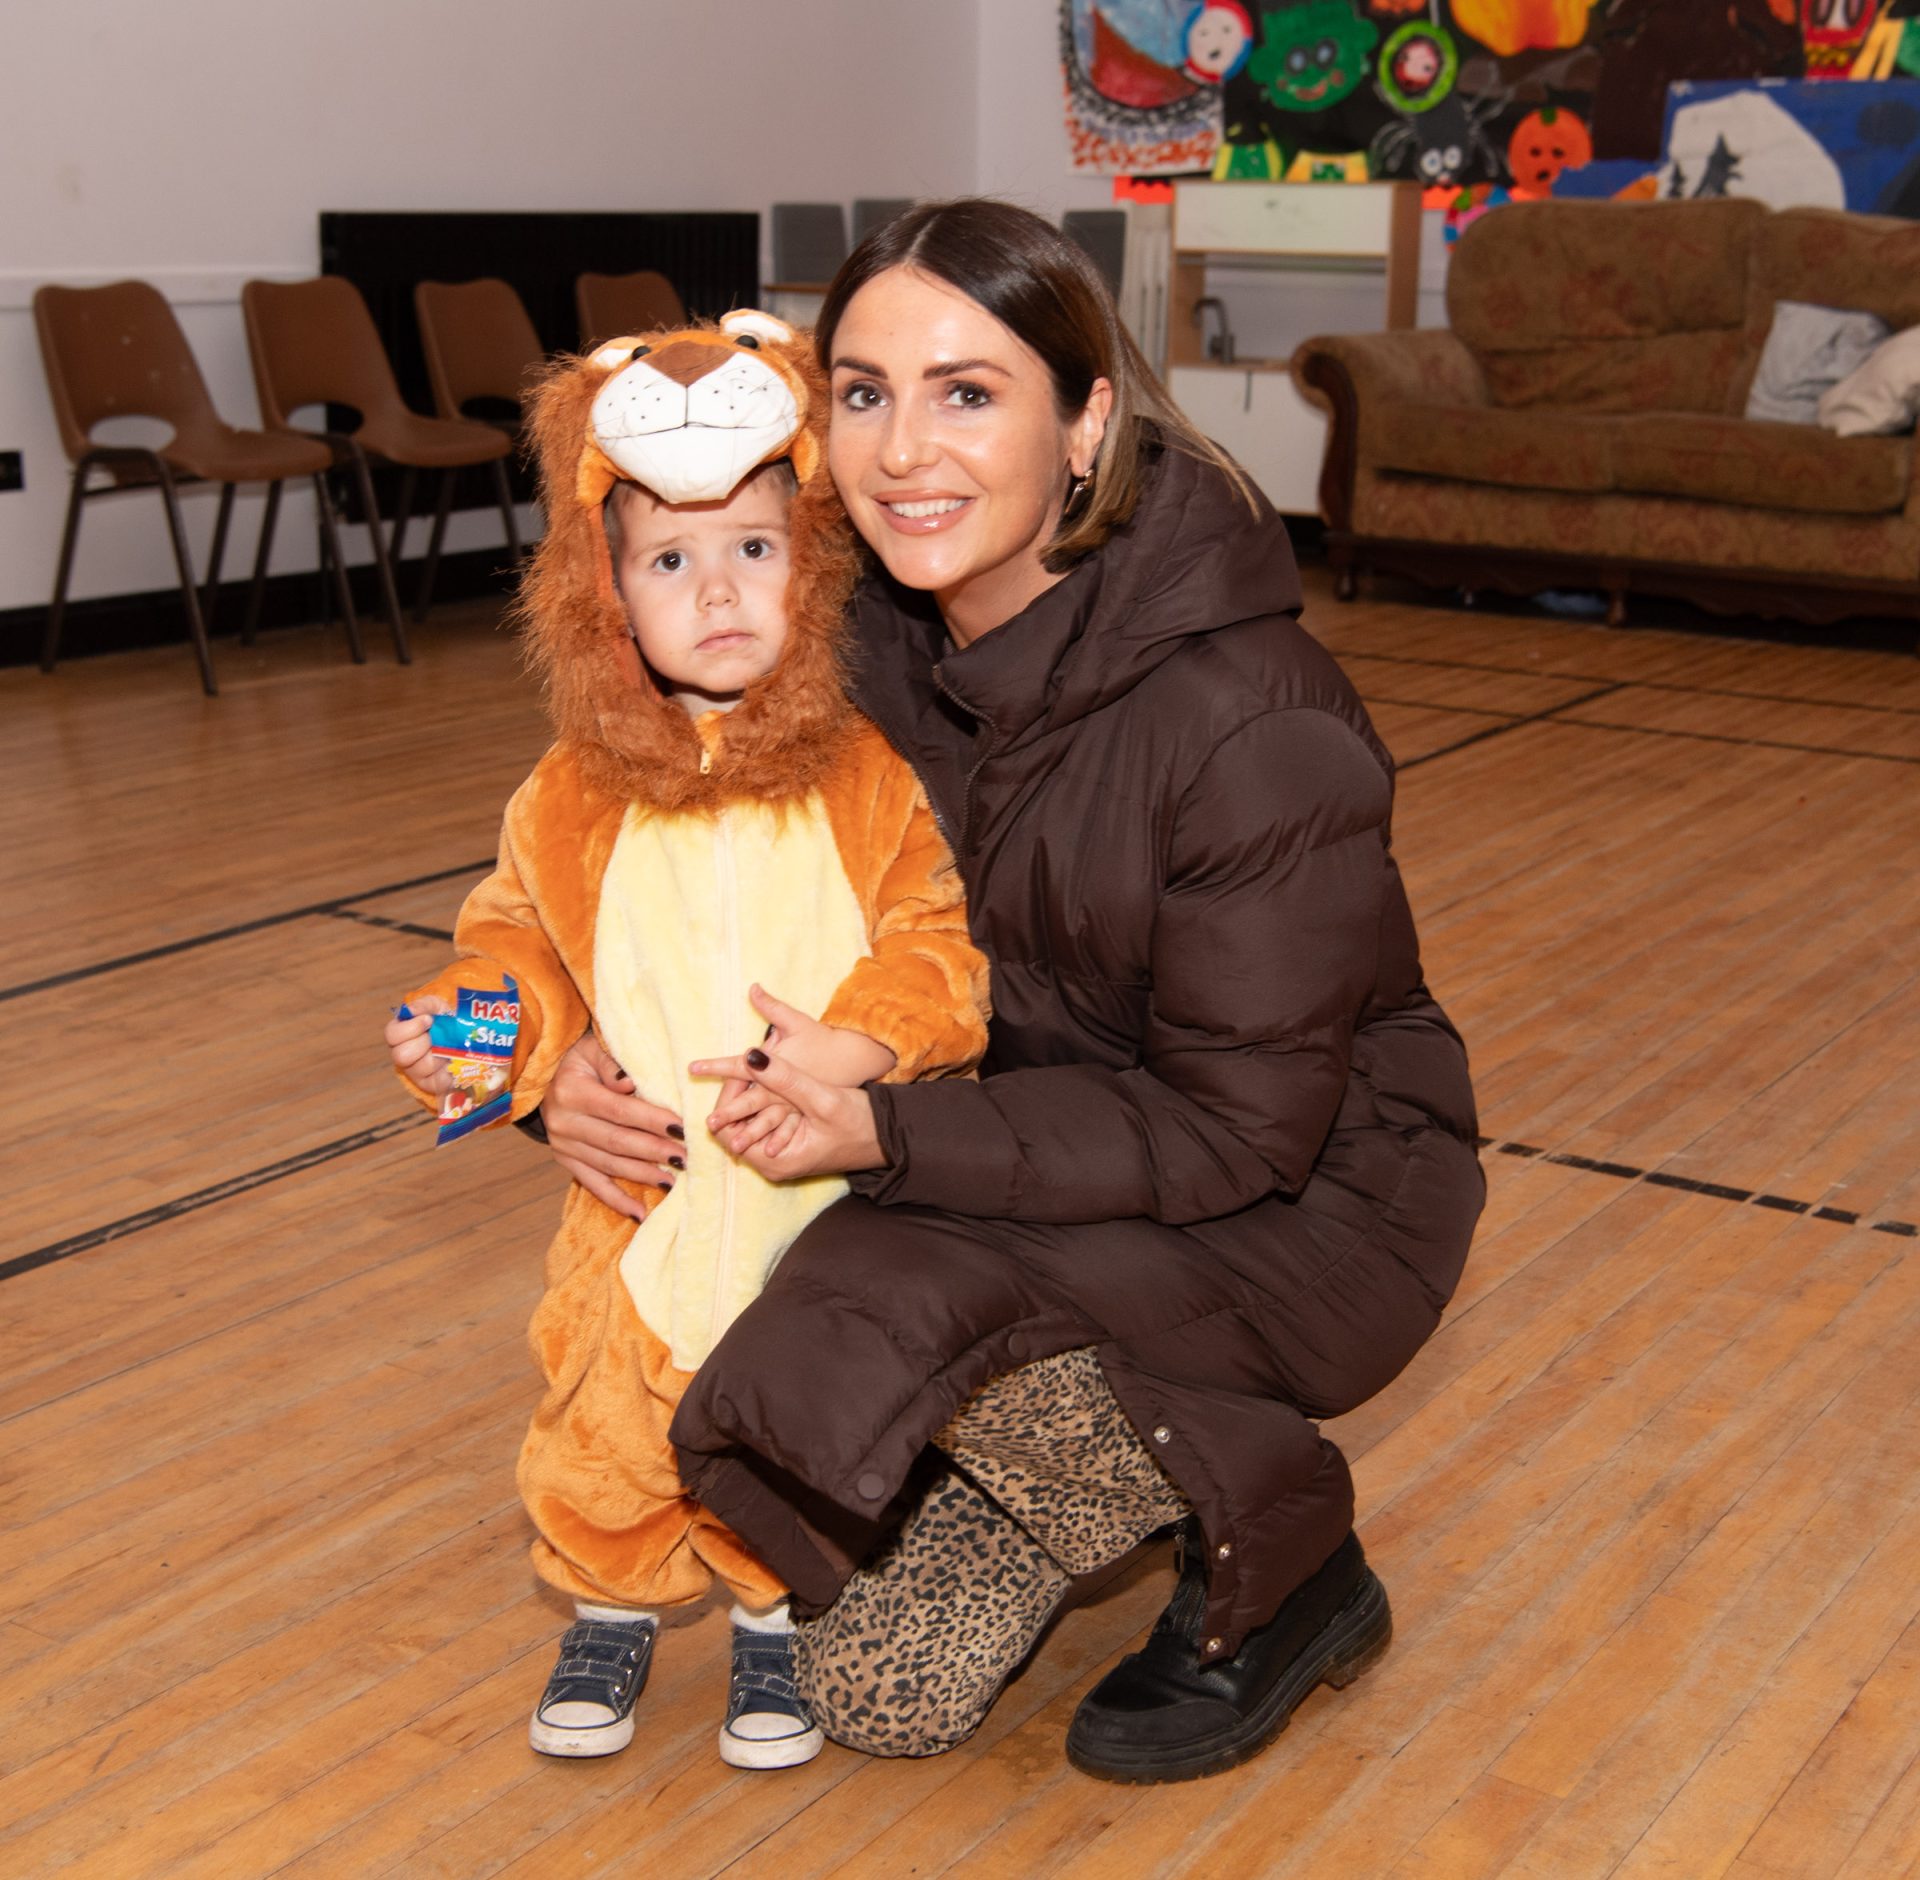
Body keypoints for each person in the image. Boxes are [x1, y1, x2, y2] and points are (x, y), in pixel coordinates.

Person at [537, 199, 1486, 1783]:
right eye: (862, 391)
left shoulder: (1252, 717)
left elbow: (1238, 1128)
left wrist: (885, 1141)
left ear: (1087, 419)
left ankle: (1281, 1550)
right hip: (998, 1148)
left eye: (968, 392)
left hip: (1308, 1197)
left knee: (851, 1293)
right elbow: (656, 901)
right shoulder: (839, 664)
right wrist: (568, 1074)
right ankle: (1049, 1440)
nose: (904, 449)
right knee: (882, 1691)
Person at [385, 311, 988, 1772]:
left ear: (813, 566)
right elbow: (511, 943)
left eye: (755, 551)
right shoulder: (570, 796)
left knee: (793, 1412)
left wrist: (862, 1046)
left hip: (812, 1199)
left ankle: (775, 1617)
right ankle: (608, 1600)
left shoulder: (863, 776)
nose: (717, 591)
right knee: (607, 1403)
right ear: (607, 597)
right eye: (670, 562)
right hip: (639, 1200)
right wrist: (500, 1060)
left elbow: (937, 940)